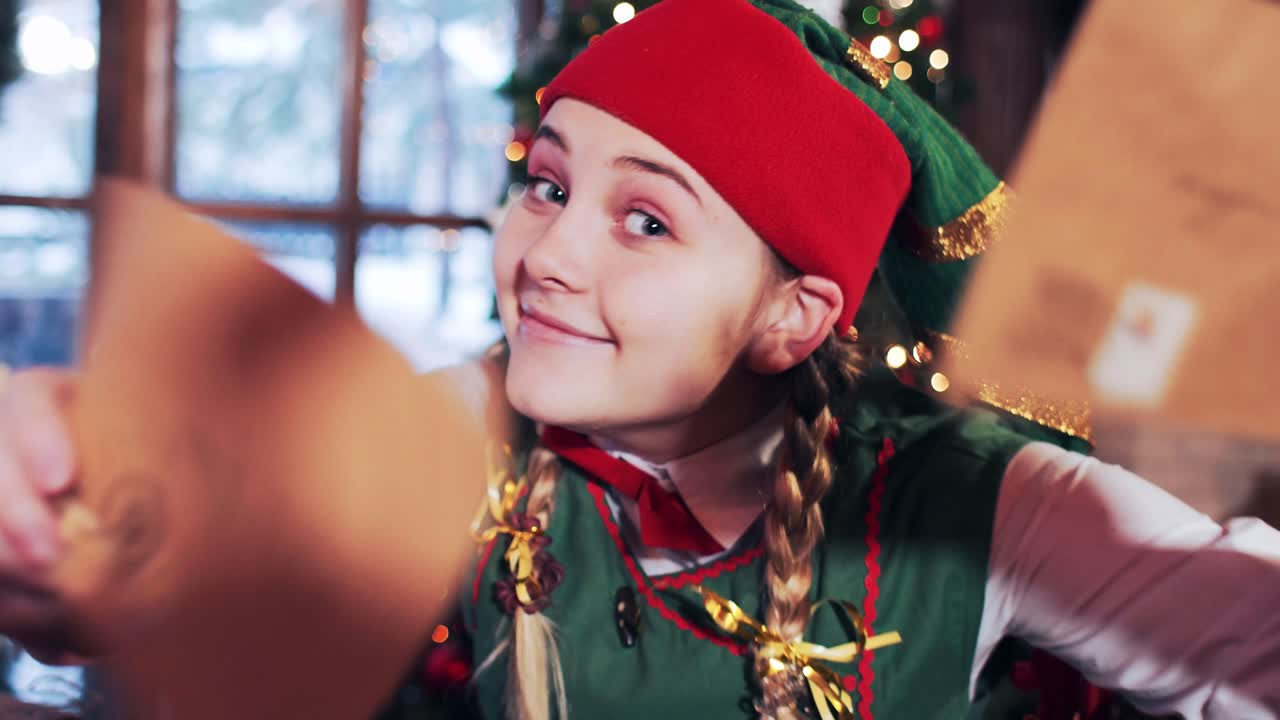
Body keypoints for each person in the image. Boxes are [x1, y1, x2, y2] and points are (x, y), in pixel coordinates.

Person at [3, 1, 1279, 719]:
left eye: (646, 219)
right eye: (545, 185)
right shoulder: (449, 437)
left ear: (793, 317)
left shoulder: (986, 508)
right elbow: (214, 504)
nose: (544, 254)